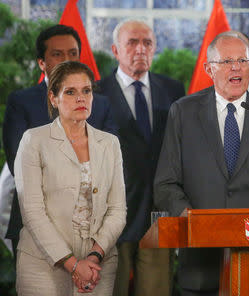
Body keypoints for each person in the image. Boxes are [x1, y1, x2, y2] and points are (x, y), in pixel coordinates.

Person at [154, 31, 249, 296]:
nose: (236, 67)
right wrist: (193, 221)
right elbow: (165, 184)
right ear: (208, 68)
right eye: (226, 61)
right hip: (202, 263)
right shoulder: (184, 111)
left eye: (243, 60)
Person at [3, 24, 116, 259]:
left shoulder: (100, 103)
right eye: (57, 54)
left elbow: (109, 162)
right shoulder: (21, 102)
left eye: (72, 54)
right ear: (41, 63)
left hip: (92, 227)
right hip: (34, 226)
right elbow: (20, 163)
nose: (66, 60)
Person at [14, 61, 126, 295]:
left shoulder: (109, 144)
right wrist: (73, 264)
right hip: (43, 264)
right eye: (70, 92)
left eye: (86, 91)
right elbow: (32, 212)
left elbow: (118, 210)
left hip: (99, 264)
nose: (81, 98)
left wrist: (94, 256)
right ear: (53, 98)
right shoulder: (34, 140)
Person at [97, 19, 185, 296]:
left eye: (147, 43)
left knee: (157, 290)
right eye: (132, 42)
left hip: (158, 214)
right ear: (115, 49)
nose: (140, 49)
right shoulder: (95, 93)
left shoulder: (173, 90)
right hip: (110, 215)